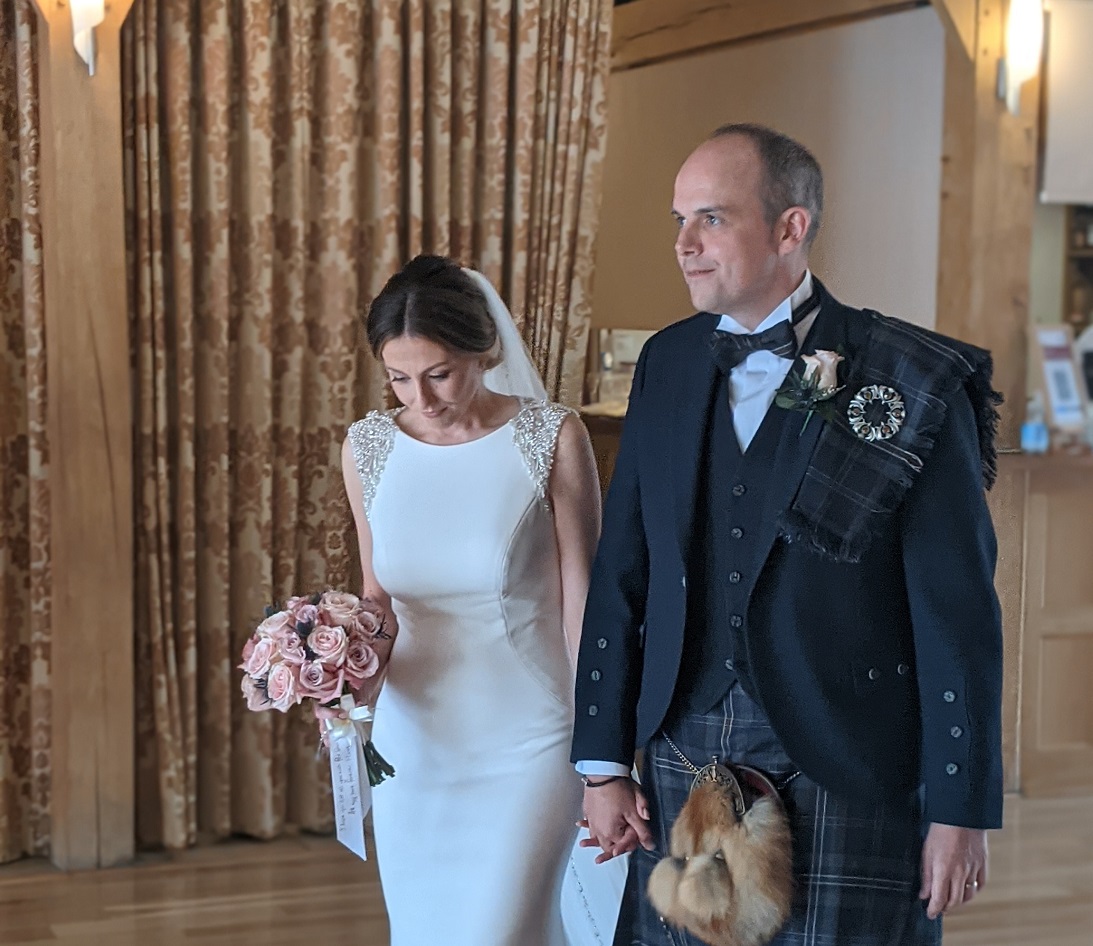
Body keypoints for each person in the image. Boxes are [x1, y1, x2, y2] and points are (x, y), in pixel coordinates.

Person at [571, 124, 1004, 946]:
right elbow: (624, 568)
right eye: (677, 220)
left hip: (851, 751)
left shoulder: (906, 379)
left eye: (710, 219)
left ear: (789, 227)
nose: (684, 246)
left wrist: (959, 805)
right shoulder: (665, 362)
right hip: (679, 741)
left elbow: (956, 612)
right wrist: (600, 759)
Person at [337, 254, 626, 945]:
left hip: (528, 741)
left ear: (484, 351)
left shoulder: (550, 437)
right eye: (399, 378)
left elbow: (584, 603)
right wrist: (332, 663)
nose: (421, 398)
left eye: (438, 374)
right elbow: (377, 596)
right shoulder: (367, 447)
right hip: (415, 747)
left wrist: (604, 760)